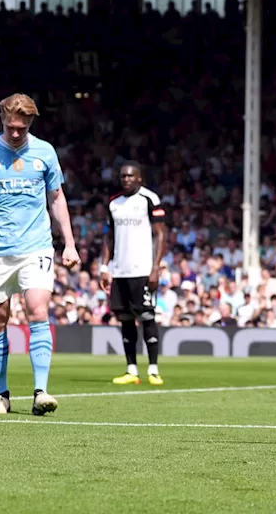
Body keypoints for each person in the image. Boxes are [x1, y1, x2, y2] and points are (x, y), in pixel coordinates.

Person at [0, 93, 79, 416]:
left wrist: (70, 242)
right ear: (2, 121)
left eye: (22, 128)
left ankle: (41, 392)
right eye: (11, 127)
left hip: (35, 246)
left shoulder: (45, 152)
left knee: (38, 310)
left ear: (31, 124)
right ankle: (2, 395)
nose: (16, 133)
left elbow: (56, 198)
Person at [102, 163, 169, 385]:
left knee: (147, 317)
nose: (126, 179)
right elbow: (109, 237)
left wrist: (155, 267)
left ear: (140, 178)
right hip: (120, 270)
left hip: (143, 269)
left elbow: (160, 235)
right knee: (125, 319)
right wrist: (105, 267)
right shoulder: (114, 203)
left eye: (130, 176)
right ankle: (131, 370)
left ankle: (153, 369)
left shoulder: (150, 199)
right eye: (123, 176)